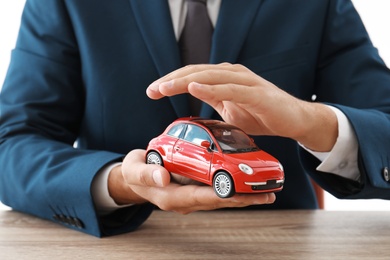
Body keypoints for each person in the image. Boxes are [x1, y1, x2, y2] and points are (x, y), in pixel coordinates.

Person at [1, 0, 390, 237]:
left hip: (280, 245)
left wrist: (310, 120)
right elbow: (10, 145)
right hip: (126, 243)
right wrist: (118, 182)